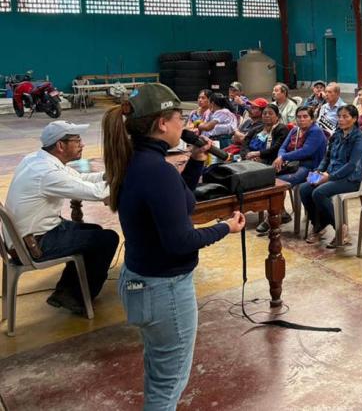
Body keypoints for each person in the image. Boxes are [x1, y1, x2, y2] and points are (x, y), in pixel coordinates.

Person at [102, 83, 245, 408]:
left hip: (141, 281)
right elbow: (180, 240)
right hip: (163, 289)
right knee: (168, 386)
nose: (187, 125)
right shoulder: (157, 171)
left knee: (159, 372)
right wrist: (225, 227)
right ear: (163, 123)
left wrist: (196, 161)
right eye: (181, 118)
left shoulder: (137, 162)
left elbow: (184, 204)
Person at [4, 121, 118, 315]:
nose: (82, 145)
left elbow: (80, 180)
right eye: (77, 141)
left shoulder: (37, 159)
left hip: (27, 236)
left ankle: (67, 290)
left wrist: (108, 175)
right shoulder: (47, 173)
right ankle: (78, 297)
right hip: (35, 243)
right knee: (108, 238)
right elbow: (98, 194)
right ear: (60, 146)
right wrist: (121, 177)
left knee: (95, 232)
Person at [301, 105, 362, 248]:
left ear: (354, 119)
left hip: (350, 179)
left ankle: (340, 228)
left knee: (319, 192)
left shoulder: (359, 139)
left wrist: (329, 177)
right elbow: (327, 157)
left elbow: (351, 166)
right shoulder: (337, 134)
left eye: (345, 117)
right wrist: (319, 171)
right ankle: (319, 225)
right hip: (330, 174)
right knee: (304, 188)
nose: (341, 120)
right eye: (339, 116)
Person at [257, 106, 328, 235]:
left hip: (312, 168)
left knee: (279, 182)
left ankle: (272, 218)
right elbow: (283, 147)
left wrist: (284, 157)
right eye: (299, 117)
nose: (301, 120)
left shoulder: (316, 132)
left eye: (305, 116)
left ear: (312, 119)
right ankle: (281, 212)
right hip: (293, 164)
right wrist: (280, 157)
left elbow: (306, 151)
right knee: (266, 176)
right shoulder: (295, 130)